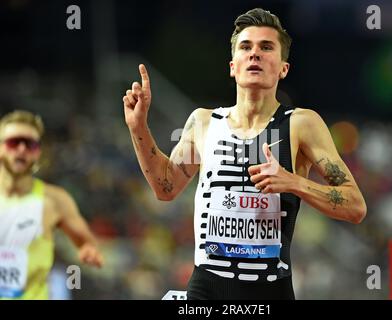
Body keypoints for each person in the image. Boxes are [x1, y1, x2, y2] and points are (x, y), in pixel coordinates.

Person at [122, 8, 366, 300]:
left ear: (283, 68)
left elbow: (355, 206)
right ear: (232, 65)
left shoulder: (301, 124)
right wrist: (138, 127)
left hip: (269, 292)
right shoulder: (203, 122)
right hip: (206, 291)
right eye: (245, 47)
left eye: (266, 47)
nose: (255, 54)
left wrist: (293, 183)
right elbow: (165, 187)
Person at [0, 110, 104, 300]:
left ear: (38, 152)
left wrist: (89, 250)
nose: (21, 149)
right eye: (14, 142)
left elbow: (86, 242)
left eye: (30, 144)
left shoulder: (55, 201)